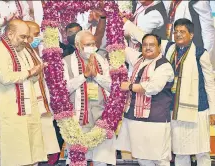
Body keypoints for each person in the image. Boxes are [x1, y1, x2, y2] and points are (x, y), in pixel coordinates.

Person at [122, 16, 215, 166]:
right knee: (179, 151)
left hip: (198, 109)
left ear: (191, 35)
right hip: (175, 110)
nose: (178, 34)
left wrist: (212, 111)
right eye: (176, 31)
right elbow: (143, 37)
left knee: (202, 151)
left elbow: (210, 83)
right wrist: (125, 22)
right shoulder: (169, 47)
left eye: (182, 32)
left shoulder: (200, 53)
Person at [0, 19, 48, 166]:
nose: (26, 41)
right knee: (9, 156)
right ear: (10, 34)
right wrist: (30, 72)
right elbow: (4, 77)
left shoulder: (23, 50)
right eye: (22, 37)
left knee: (28, 156)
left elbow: (31, 77)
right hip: (6, 111)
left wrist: (35, 72)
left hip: (25, 111)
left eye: (27, 37)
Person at [116, 34, 174, 166]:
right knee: (141, 156)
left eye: (152, 45)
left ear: (159, 47)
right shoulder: (139, 59)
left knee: (159, 158)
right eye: (145, 45)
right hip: (134, 118)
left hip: (155, 120)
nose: (148, 48)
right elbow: (122, 48)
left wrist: (129, 86)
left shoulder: (164, 65)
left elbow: (153, 87)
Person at [63, 30, 115, 166]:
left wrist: (97, 76)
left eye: (93, 44)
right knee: (78, 159)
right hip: (78, 118)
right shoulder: (66, 62)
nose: (92, 47)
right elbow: (63, 90)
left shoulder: (102, 60)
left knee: (101, 160)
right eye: (87, 44)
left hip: (102, 116)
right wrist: (84, 76)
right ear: (77, 45)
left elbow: (113, 86)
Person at [25, 21, 61, 165]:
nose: (38, 37)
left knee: (45, 149)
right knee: (34, 150)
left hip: (42, 105)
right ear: (26, 36)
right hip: (32, 107)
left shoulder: (33, 51)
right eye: (35, 34)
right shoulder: (22, 53)